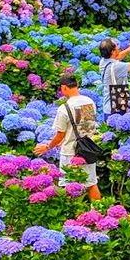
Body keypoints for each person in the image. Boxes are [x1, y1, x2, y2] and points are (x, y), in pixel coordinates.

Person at [34, 73, 101, 201]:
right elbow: (86, 125)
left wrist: (47, 147)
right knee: (91, 183)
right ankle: (98, 211)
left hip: (70, 152)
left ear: (64, 87)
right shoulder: (89, 102)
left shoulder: (64, 108)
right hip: (87, 149)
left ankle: (73, 212)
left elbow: (60, 135)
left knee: (69, 185)